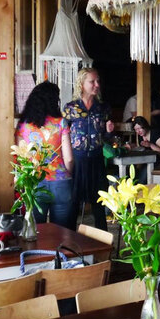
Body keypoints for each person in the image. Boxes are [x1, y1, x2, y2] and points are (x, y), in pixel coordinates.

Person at [15, 81, 73, 228]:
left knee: (36, 231)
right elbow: (69, 159)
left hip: (34, 183)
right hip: (60, 182)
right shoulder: (60, 123)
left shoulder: (23, 125)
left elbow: (20, 158)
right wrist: (67, 173)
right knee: (61, 232)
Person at [63, 68, 114, 231]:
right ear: (82, 84)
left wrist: (109, 132)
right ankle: (68, 240)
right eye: (92, 81)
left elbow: (106, 138)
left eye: (98, 81)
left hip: (97, 160)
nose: (97, 85)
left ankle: (102, 242)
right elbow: (62, 136)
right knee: (73, 203)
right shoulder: (70, 108)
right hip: (77, 161)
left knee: (99, 203)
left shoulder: (103, 108)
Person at [129, 116, 160, 183]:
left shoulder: (155, 133)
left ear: (145, 126)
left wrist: (150, 145)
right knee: (133, 170)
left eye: (139, 128)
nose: (138, 131)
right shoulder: (140, 136)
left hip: (159, 161)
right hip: (147, 161)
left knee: (143, 175)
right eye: (136, 129)